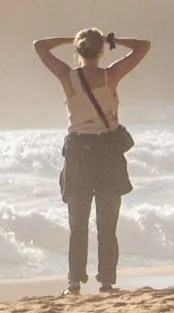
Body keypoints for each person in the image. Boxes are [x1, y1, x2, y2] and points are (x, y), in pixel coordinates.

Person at [33, 26, 149, 293]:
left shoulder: (67, 77)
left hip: (78, 154)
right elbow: (143, 46)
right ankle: (106, 282)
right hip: (108, 152)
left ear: (78, 50)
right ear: (100, 51)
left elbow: (39, 45)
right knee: (107, 225)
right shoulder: (111, 75)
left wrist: (68, 39)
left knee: (78, 224)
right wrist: (115, 40)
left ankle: (74, 283)